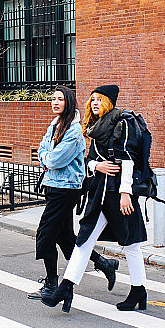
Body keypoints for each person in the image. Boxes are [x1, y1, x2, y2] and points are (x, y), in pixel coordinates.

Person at [42, 84, 148, 313]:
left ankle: (139, 291)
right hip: (100, 193)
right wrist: (97, 165)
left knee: (131, 245)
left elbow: (128, 160)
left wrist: (126, 194)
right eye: (92, 99)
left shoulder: (122, 123)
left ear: (109, 102)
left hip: (119, 194)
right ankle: (66, 288)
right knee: (84, 241)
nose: (95, 103)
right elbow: (89, 159)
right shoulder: (95, 127)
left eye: (100, 99)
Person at [29, 86, 118, 301]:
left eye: (60, 99)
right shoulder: (56, 125)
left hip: (65, 190)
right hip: (53, 186)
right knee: (65, 238)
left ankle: (51, 285)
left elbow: (53, 159)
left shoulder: (74, 131)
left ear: (68, 102)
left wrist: (45, 157)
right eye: (53, 99)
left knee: (45, 236)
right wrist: (45, 157)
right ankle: (104, 263)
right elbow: (41, 150)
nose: (55, 102)